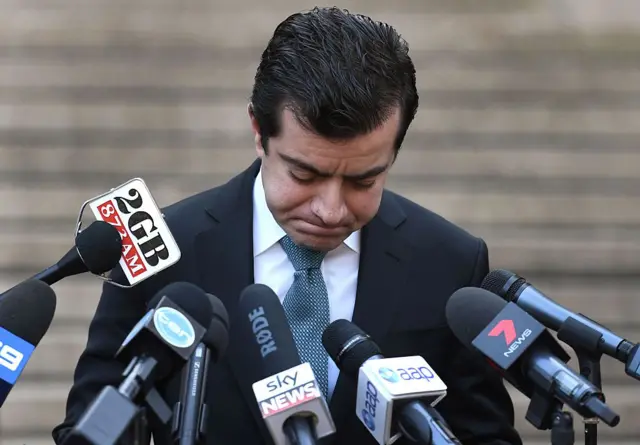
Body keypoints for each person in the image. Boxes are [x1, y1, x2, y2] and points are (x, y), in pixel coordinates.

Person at [53, 7, 522, 445]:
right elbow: (90, 422)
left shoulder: (450, 263)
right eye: (304, 174)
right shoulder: (159, 252)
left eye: (364, 179)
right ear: (259, 131)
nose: (331, 209)